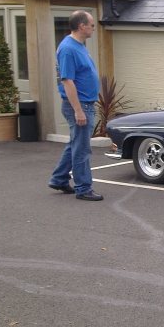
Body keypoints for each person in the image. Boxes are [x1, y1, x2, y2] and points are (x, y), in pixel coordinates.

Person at [48, 10, 103, 201]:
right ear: (82, 26)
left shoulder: (78, 45)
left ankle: (59, 179)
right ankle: (83, 188)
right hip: (79, 106)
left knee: (75, 145)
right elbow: (67, 81)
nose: (93, 28)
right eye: (91, 25)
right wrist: (79, 110)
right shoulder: (68, 49)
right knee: (82, 149)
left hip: (85, 104)